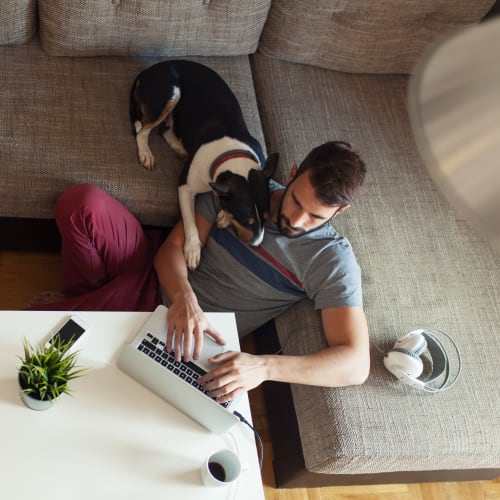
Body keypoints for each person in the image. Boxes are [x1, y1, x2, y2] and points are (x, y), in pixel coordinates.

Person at [31, 141, 370, 403]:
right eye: (296, 201)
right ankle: (87, 298)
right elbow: (172, 248)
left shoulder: (331, 261)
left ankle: (86, 303)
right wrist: (183, 297)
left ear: (341, 211)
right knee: (82, 202)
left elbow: (355, 364)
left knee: (41, 347)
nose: (296, 221)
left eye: (315, 216)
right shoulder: (243, 188)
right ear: (293, 172)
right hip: (156, 275)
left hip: (182, 336)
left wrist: (263, 367)